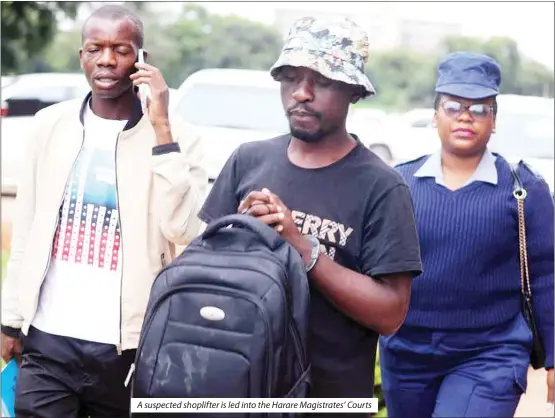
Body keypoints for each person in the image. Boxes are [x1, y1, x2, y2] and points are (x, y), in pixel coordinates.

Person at [198, 15, 423, 414]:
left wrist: (302, 248)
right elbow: (204, 267)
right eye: (290, 78)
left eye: (321, 81)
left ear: (353, 91)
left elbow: (391, 313)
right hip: (238, 387)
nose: (301, 93)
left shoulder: (381, 186)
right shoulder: (248, 160)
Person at [1, 5, 207, 417]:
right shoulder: (49, 126)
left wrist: (162, 130)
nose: (108, 60)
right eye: (96, 48)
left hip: (130, 349)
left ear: (141, 59)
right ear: (82, 56)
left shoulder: (180, 136)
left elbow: (183, 229)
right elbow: (26, 227)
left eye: (121, 49)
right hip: (48, 341)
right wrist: (10, 319)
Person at [379, 51, 554, 417]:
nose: (464, 116)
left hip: (491, 352)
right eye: (453, 105)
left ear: (494, 120)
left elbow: (547, 275)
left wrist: (553, 356)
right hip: (406, 353)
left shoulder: (523, 188)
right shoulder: (399, 183)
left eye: (479, 109)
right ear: (434, 115)